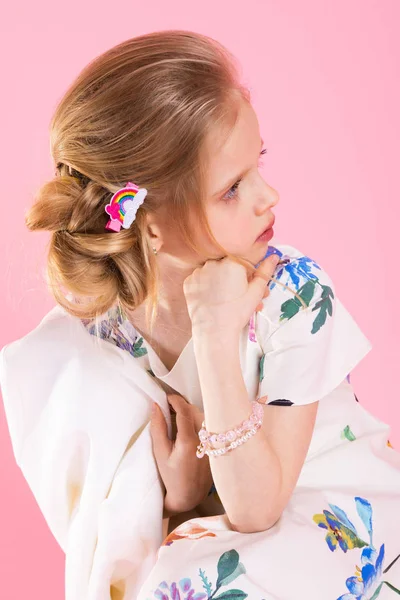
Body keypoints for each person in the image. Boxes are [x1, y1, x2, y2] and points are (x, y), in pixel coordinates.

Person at [1, 29, 400, 600]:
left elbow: (259, 507)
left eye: (258, 164)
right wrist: (182, 498)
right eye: (233, 188)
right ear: (151, 227)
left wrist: (215, 334)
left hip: (340, 518)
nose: (270, 195)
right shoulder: (111, 334)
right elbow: (189, 514)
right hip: (238, 534)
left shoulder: (291, 294)